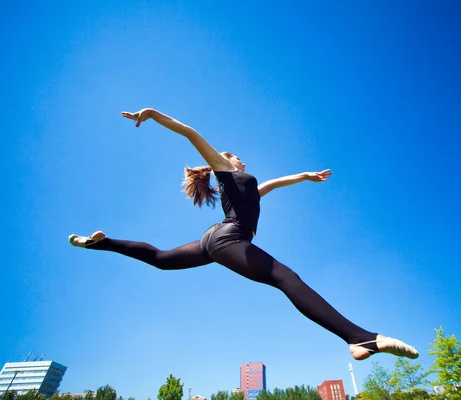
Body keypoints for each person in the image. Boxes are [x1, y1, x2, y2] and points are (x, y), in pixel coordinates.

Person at [69, 108, 419, 361]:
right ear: (225, 161)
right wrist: (152, 113)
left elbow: (273, 184)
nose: (243, 161)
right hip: (228, 237)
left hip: (215, 239)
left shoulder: (245, 187)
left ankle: (103, 242)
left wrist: (305, 176)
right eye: (238, 158)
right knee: (285, 277)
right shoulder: (223, 169)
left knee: (161, 259)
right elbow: (191, 132)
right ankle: (361, 339)